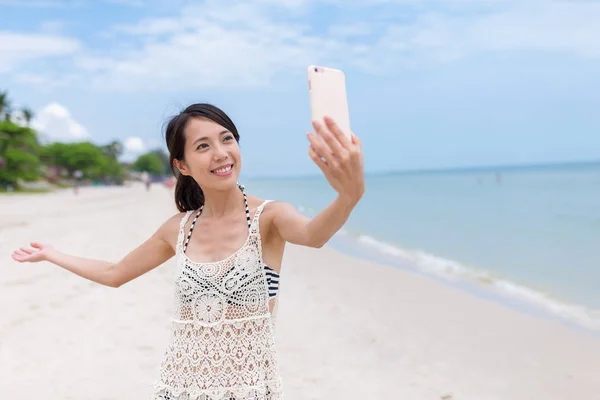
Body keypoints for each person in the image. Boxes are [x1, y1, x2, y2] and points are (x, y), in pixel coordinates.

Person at [11, 103, 365, 399]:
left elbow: (313, 235)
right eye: (203, 146)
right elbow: (113, 273)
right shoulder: (177, 228)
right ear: (182, 165)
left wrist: (348, 196)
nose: (220, 153)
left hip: (251, 389)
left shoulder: (269, 217)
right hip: (178, 387)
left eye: (227, 139)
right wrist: (53, 254)